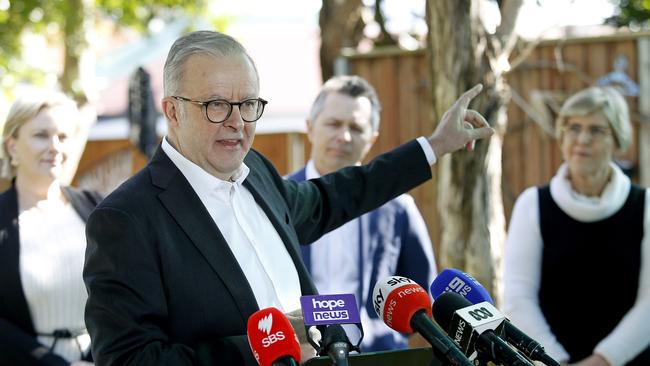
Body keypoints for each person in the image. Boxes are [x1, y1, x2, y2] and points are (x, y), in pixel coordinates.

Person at [83, 30, 493, 366]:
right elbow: (128, 360)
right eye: (217, 105)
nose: (237, 122)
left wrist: (434, 146)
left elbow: (335, 195)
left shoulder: (256, 171)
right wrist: (265, 343)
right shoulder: (125, 219)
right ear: (172, 111)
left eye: (248, 104)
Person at [287, 75, 437, 351]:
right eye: (333, 124)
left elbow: (422, 295)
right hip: (299, 354)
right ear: (310, 127)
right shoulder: (278, 201)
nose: (343, 136)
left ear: (372, 139)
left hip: (377, 354)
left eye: (356, 127)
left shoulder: (399, 208)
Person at [503, 86, 650, 366]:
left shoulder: (646, 207)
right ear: (561, 136)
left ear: (618, 141)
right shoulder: (532, 204)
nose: (583, 139)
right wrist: (555, 361)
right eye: (574, 128)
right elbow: (518, 298)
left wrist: (602, 361)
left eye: (596, 130)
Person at [0, 91, 101, 366]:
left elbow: (127, 294)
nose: (55, 146)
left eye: (63, 136)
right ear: (12, 147)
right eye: (41, 135)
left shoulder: (99, 208)